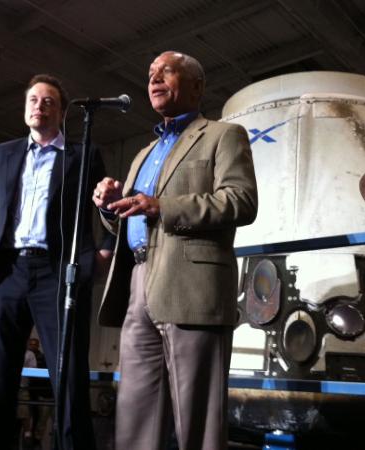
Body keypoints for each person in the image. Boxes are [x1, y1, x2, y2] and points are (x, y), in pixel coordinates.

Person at [94, 51, 258, 450]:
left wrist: (162, 206)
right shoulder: (143, 154)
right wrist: (109, 207)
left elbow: (241, 201)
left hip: (192, 285)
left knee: (198, 422)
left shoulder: (224, 135)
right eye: (150, 72)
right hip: (137, 282)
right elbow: (130, 220)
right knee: (134, 416)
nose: (153, 78)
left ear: (197, 86)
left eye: (166, 71)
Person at [0, 73, 103, 450]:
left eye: (48, 101)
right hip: (6, 272)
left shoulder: (83, 154)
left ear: (61, 112)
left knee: (69, 375)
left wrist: (103, 251)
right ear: (25, 108)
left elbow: (104, 205)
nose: (39, 106)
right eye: (33, 100)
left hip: (57, 274)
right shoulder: (4, 152)